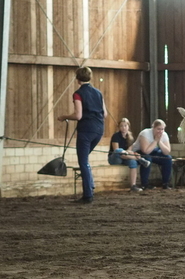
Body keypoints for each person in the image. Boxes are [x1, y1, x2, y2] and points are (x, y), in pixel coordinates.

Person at [58, 66, 107, 204]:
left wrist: (64, 117)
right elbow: (105, 114)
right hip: (99, 129)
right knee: (85, 161)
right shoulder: (98, 93)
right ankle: (90, 186)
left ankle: (88, 195)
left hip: (86, 130)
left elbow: (78, 115)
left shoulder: (78, 93)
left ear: (77, 79)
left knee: (83, 162)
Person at [108, 118, 151, 192]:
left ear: (128, 127)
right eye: (121, 126)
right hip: (115, 158)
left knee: (132, 162)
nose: (123, 128)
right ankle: (140, 159)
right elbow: (116, 150)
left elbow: (129, 151)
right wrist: (130, 154)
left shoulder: (130, 138)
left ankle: (133, 185)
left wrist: (134, 154)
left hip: (125, 157)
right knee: (120, 151)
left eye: (125, 126)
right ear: (119, 127)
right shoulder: (116, 136)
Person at [133, 119, 173, 190]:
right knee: (147, 159)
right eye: (158, 129)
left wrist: (159, 141)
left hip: (154, 150)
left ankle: (165, 183)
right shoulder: (145, 133)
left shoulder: (164, 134)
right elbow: (145, 151)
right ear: (153, 128)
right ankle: (144, 184)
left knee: (167, 158)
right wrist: (155, 141)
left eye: (162, 129)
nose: (160, 131)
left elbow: (167, 151)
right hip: (139, 152)